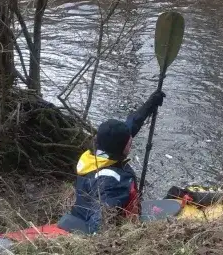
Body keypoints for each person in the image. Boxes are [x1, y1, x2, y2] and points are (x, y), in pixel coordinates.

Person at [57, 90, 165, 233]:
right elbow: (101, 221)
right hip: (109, 224)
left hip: (83, 211)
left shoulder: (98, 154)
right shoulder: (109, 180)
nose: (131, 142)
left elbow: (129, 127)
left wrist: (150, 104)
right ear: (122, 147)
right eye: (129, 142)